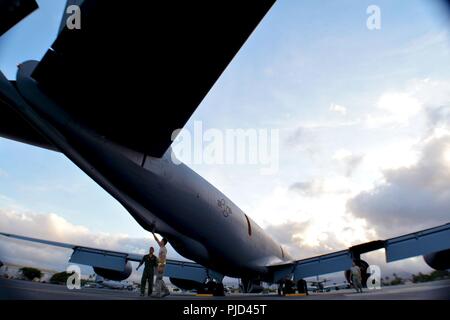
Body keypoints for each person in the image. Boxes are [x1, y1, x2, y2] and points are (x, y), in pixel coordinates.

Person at [152, 231, 170, 298]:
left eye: (161, 240)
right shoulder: (161, 246)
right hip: (160, 264)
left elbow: (163, 258)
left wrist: (161, 267)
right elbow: (157, 240)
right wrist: (153, 233)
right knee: (160, 279)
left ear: (163, 242)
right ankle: (166, 291)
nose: (160, 241)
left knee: (158, 280)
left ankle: (158, 294)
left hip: (161, 265)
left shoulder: (164, 249)